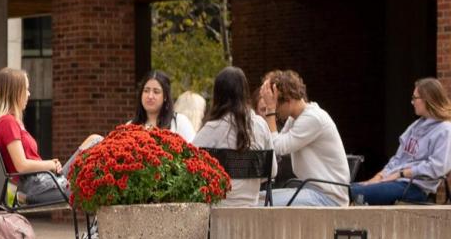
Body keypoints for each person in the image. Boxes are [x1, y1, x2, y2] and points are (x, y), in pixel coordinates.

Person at [0, 66, 100, 207]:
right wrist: (50, 165)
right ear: (15, 93)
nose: (29, 94)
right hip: (37, 187)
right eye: (26, 89)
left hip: (45, 181)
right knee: (97, 184)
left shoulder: (12, 122)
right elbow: (21, 166)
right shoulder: (7, 122)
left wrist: (50, 165)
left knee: (94, 140)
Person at [351, 78, 451, 205]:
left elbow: (438, 167)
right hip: (395, 182)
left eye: (415, 98)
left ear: (428, 99)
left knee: (351, 193)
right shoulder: (415, 126)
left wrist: (402, 174)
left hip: (414, 188)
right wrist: (377, 178)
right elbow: (397, 159)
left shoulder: (445, 130)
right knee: (344, 188)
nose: (412, 102)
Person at [258, 69, 349, 206]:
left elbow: (277, 147)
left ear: (288, 101)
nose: (275, 112)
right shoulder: (296, 118)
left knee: (263, 204)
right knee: (255, 199)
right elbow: (275, 143)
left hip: (328, 198)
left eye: (276, 106)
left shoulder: (312, 118)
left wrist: (270, 110)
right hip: (310, 190)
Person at [192, 66, 274, 207]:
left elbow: (190, 164)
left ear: (217, 95)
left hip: (218, 211)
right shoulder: (260, 125)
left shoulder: (211, 129)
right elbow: (272, 171)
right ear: (244, 93)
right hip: (252, 210)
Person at [132, 70, 196, 140]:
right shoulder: (129, 126)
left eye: (156, 92)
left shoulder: (180, 123)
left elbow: (194, 149)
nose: (150, 96)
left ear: (165, 96)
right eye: (146, 91)